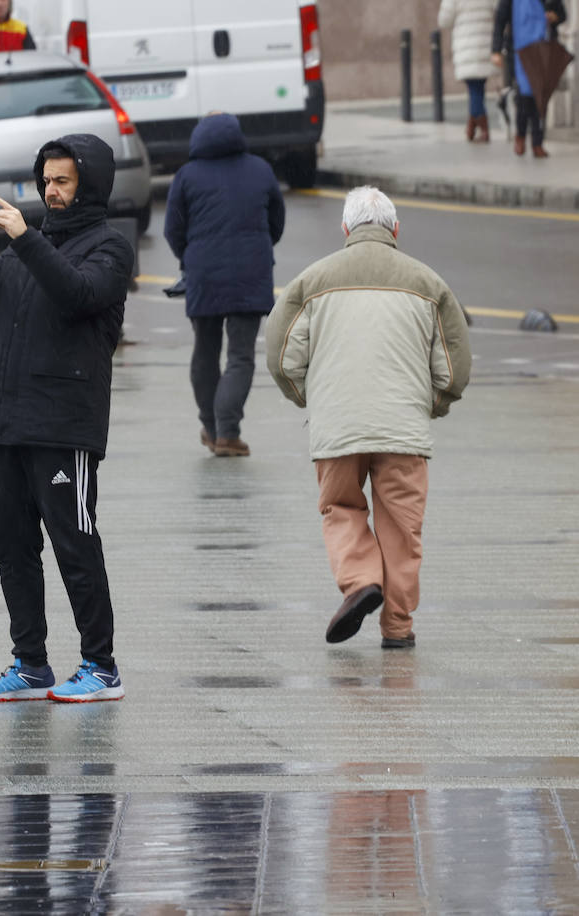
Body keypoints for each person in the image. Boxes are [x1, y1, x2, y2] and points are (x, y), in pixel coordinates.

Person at [0, 133, 132, 702]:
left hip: (64, 423)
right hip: (6, 422)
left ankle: (101, 666)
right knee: (10, 544)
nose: (51, 190)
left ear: (88, 184)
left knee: (74, 543)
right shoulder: (26, 248)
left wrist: (25, 240)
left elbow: (77, 293)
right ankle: (31, 664)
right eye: (46, 181)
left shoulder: (110, 248)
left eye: (63, 180)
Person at [265, 187, 472, 649]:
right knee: (402, 527)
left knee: (340, 508)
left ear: (346, 229)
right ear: (395, 229)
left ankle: (360, 582)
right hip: (404, 429)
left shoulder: (311, 281)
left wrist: (308, 398)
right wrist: (433, 404)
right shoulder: (429, 283)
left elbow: (281, 356)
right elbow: (454, 367)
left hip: (337, 427)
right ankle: (397, 629)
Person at [163, 112, 285, 458]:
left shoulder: (187, 175)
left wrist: (190, 258)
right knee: (241, 355)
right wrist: (259, 248)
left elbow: (173, 229)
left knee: (205, 350)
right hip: (252, 273)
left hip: (203, 275)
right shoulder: (260, 169)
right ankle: (228, 432)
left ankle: (213, 429)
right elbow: (277, 220)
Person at [491, 0, 568, 157]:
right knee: (524, 96)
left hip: (543, 49)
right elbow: (500, 19)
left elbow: (562, 14)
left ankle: (537, 142)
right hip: (519, 51)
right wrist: (496, 50)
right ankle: (520, 135)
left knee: (541, 96)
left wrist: (555, 17)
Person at [438, 0, 496, 142]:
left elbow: (444, 20)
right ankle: (471, 125)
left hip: (466, 44)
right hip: (485, 42)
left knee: (474, 88)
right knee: (478, 87)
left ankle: (483, 127)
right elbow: (498, 9)